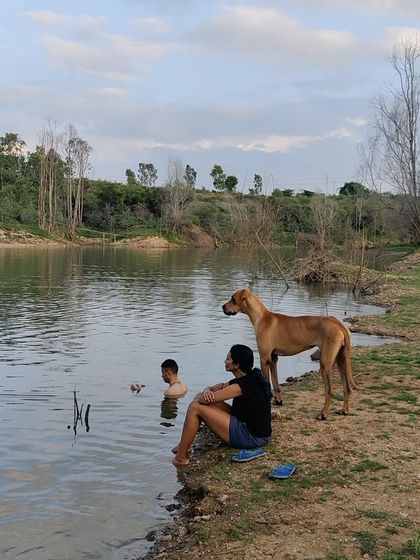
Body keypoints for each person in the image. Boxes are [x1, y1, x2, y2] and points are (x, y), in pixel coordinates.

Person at [172, 344, 272, 468]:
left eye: (228, 359)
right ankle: (183, 445)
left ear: (236, 365)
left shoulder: (240, 386)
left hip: (253, 437)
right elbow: (213, 389)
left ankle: (181, 458)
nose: (225, 361)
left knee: (195, 407)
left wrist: (206, 394)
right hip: (245, 423)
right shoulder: (247, 378)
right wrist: (207, 390)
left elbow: (204, 400)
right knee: (199, 398)